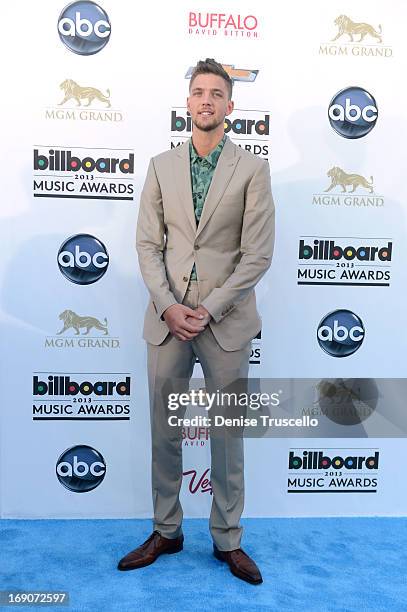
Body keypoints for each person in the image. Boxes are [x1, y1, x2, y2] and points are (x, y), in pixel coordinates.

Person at [118, 58, 275, 584]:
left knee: (227, 435)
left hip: (224, 322)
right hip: (167, 320)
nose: (206, 100)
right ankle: (167, 529)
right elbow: (147, 245)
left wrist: (209, 309)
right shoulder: (161, 166)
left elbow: (256, 256)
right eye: (198, 92)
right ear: (187, 104)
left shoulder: (252, 169)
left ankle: (227, 539)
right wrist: (168, 305)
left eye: (216, 94)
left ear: (230, 107)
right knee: (164, 431)